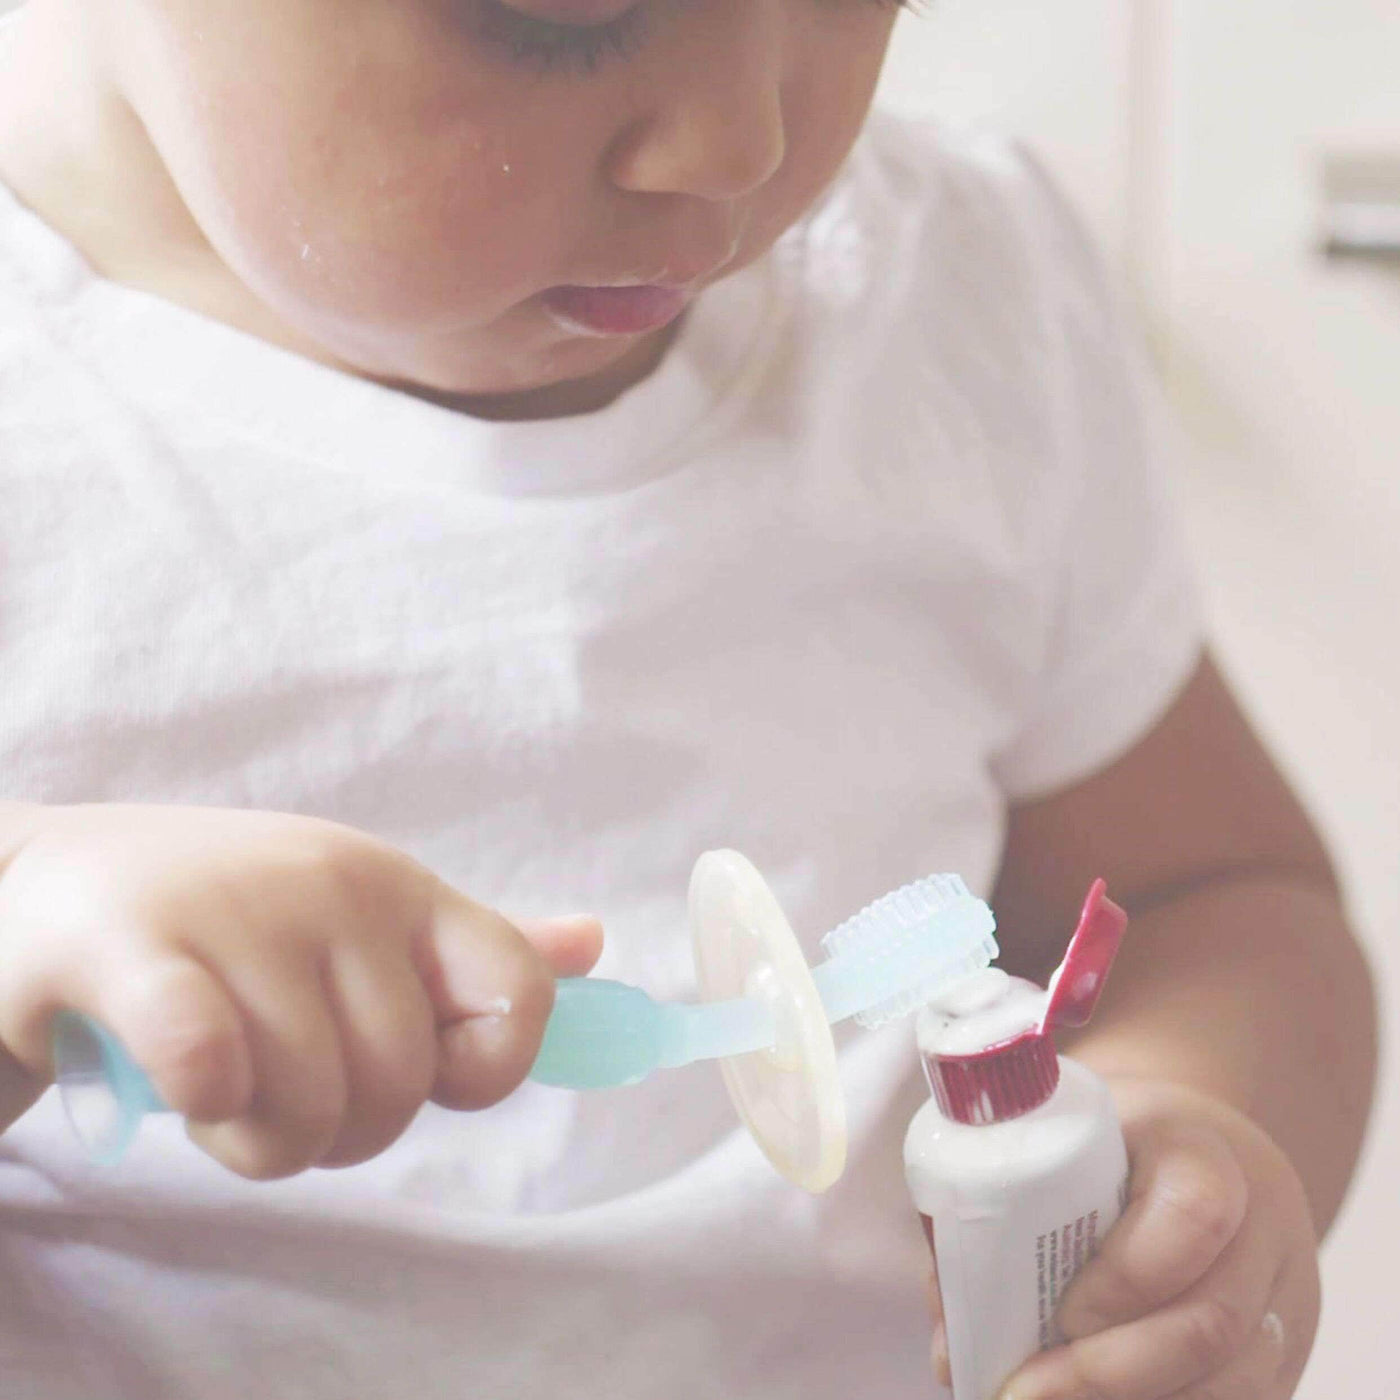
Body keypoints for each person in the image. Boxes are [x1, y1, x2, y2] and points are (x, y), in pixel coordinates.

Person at [0, 1, 1376, 1397]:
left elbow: (1216, 898)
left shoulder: (954, 297)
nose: (740, 145)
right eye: (563, 15)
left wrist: (1187, 1146)